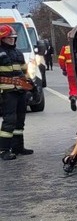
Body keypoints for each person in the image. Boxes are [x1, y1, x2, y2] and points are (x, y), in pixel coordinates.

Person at [0, 24, 34, 160]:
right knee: (9, 121)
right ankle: (3, 150)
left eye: (13, 38)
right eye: (8, 38)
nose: (12, 40)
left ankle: (18, 147)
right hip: (6, 93)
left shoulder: (18, 53)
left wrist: (31, 86)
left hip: (20, 91)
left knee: (20, 121)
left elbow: (24, 72)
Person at [58, 35, 77, 111]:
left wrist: (63, 69)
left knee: (73, 86)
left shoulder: (65, 48)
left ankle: (73, 96)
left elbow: (61, 60)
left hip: (70, 71)